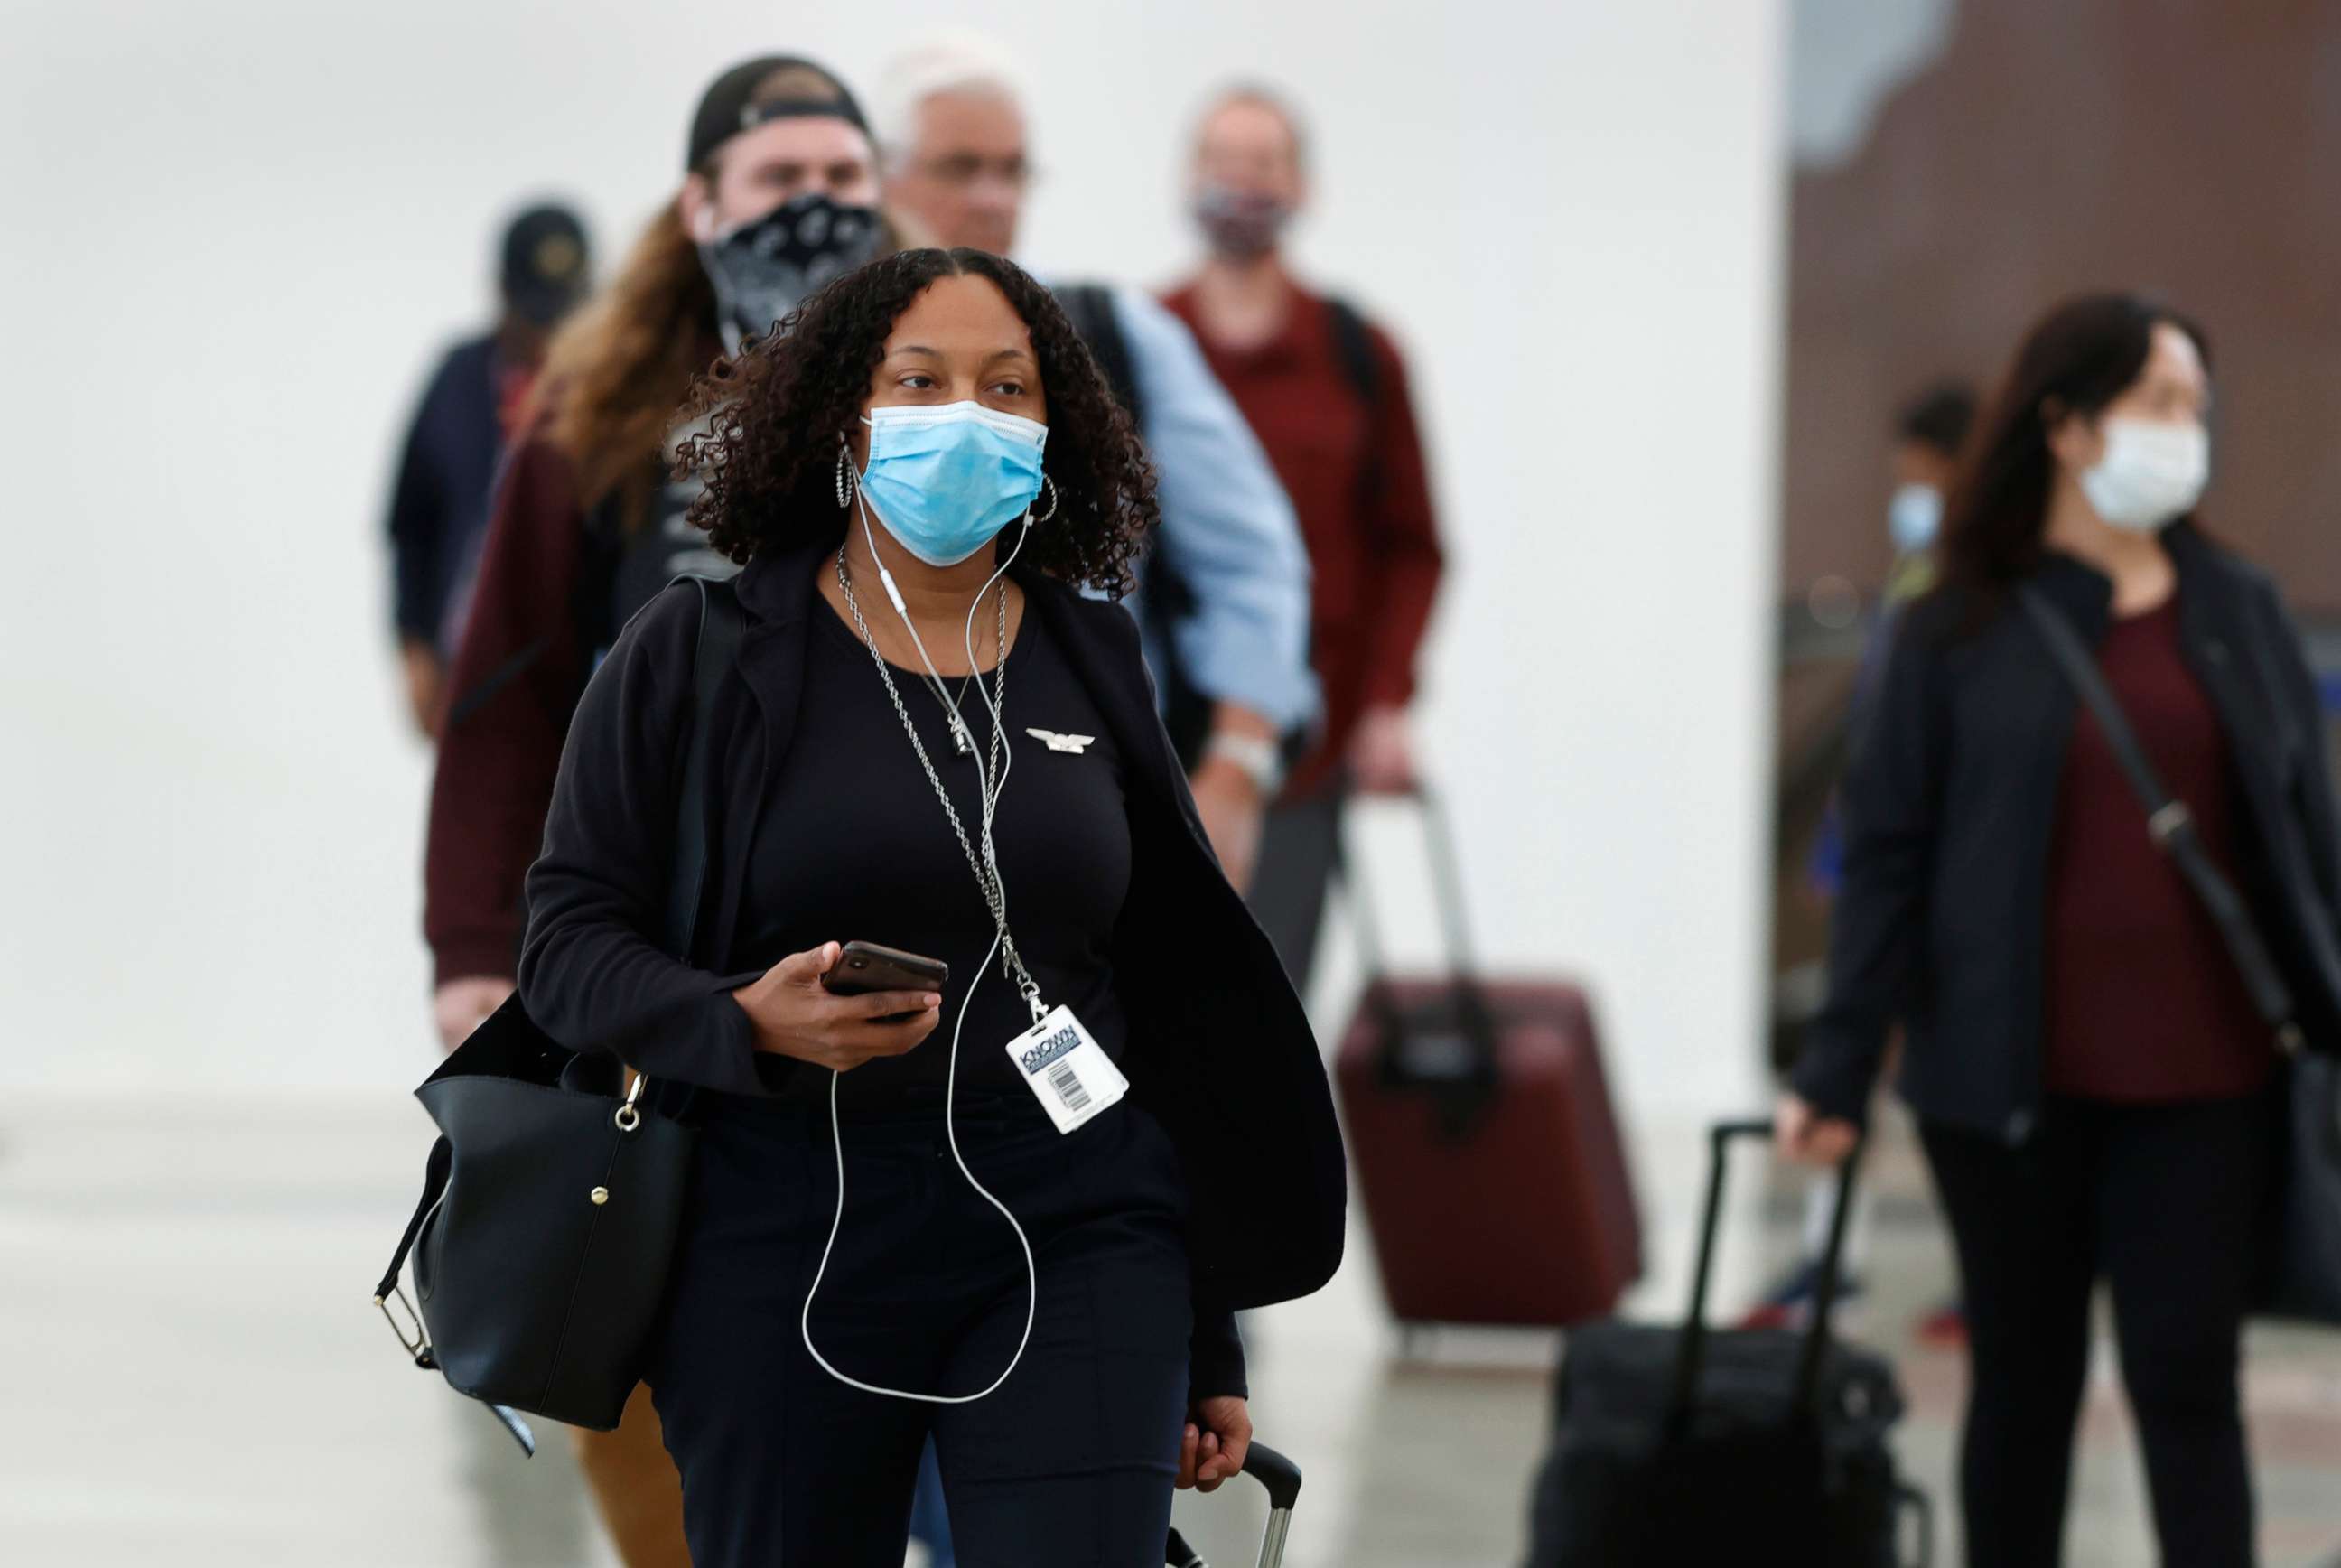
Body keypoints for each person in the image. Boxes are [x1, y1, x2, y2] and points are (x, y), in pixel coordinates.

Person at [517, 246, 1346, 1565]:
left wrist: (1204, 1329)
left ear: (1053, 427)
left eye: (1008, 387)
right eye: (922, 379)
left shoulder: (1094, 652)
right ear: (845, 411)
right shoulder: (700, 650)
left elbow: (1160, 998)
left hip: (1080, 1227)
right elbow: (564, 948)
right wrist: (744, 1018)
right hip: (780, 1238)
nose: (969, 414)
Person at [1777, 293, 2341, 1567]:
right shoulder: (1956, 625)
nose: (2188, 434)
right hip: (2005, 1085)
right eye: (2159, 405)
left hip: (2208, 1082)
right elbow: (1888, 861)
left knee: (2188, 1385)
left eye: (2197, 408)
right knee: (2023, 1395)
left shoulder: (2236, 606)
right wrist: (1837, 1069)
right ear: (2069, 425)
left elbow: (2307, 840)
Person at [422, 54, 895, 1568]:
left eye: (841, 181)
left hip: (879, 950)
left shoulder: (936, 404)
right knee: (628, 1314)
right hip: (642, 958)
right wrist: (472, 943)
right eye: (778, 182)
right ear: (700, 205)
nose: (814, 211)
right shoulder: (602, 415)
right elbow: (504, 692)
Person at [872, 35, 1316, 898]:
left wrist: (1234, 771)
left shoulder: (1116, 340)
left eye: (1012, 169)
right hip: (882, 809)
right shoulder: (831, 360)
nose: (992, 198)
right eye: (961, 167)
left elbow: (1254, 559)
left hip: (1092, 810)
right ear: (883, 176)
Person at [1161, 83, 1446, 998]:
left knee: (1268, 997)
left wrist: (1389, 703)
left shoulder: (1362, 353)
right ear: (1189, 178)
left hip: (1304, 745)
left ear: (1302, 186)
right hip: (1157, 737)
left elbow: (1413, 543)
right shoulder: (1140, 342)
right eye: (1223, 161)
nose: (1241, 182)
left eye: (1264, 163)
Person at [1748, 380, 1978, 1339]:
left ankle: (1973, 1272)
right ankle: (1829, 1259)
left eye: (1921, 474)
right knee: (1857, 1064)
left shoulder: (1986, 592)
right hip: (1893, 859)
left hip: (1943, 866)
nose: (1909, 491)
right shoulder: (1918, 576)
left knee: (1950, 1073)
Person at [383, 202, 591, 737]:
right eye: (535, 317)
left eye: (563, 319)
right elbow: (411, 521)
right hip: (467, 672)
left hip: (581, 680)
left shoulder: (618, 393)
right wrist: (414, 649)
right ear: (500, 293)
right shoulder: (458, 376)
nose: (548, 340)